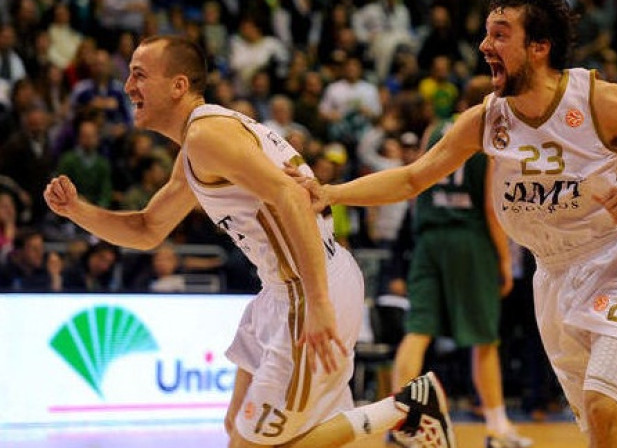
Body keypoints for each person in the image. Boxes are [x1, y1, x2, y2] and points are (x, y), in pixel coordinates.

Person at [287, 1, 617, 447]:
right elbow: (413, 178)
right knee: (614, 434)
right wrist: (330, 192)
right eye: (487, 32)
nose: (485, 44)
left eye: (501, 33)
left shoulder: (601, 100)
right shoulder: (486, 119)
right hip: (551, 274)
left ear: (540, 47)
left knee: (604, 406)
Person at [43, 35, 456, 448]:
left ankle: (407, 407)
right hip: (283, 289)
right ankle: (406, 409)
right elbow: (149, 229)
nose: (128, 86)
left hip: (307, 287)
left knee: (254, 445)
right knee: (237, 427)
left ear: (179, 85)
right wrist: (79, 211)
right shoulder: (199, 145)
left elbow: (292, 195)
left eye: (139, 75)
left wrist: (318, 302)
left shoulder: (208, 136)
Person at [388, 75, 530, 448]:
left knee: (417, 332)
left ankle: (403, 424)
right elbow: (490, 204)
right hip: (471, 240)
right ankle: (498, 429)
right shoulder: (490, 137)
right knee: (484, 340)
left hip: (430, 238)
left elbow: (414, 185)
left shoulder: (436, 129)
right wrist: (504, 260)